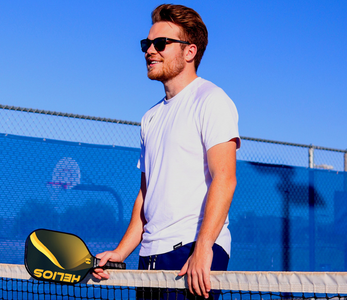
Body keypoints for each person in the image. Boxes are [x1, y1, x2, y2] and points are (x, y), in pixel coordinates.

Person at [92, 4, 240, 299]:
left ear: (189, 52)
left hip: (190, 253)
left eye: (161, 44)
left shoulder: (212, 100)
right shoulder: (150, 118)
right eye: (147, 44)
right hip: (149, 258)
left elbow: (225, 179)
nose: (150, 51)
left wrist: (203, 248)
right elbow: (146, 196)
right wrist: (121, 252)